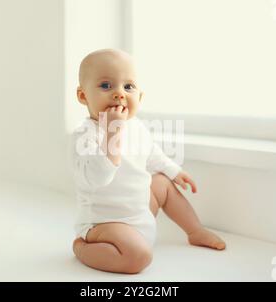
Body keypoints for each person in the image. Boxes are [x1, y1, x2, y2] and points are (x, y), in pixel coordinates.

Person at [70, 49, 226, 274]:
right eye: (106, 86)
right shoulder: (85, 134)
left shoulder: (136, 127)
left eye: (128, 87)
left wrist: (173, 171)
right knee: (138, 258)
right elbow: (96, 177)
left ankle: (195, 231)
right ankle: (82, 248)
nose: (119, 94)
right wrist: (112, 132)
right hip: (105, 223)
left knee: (161, 182)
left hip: (140, 213)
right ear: (83, 96)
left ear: (140, 97)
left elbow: (152, 154)